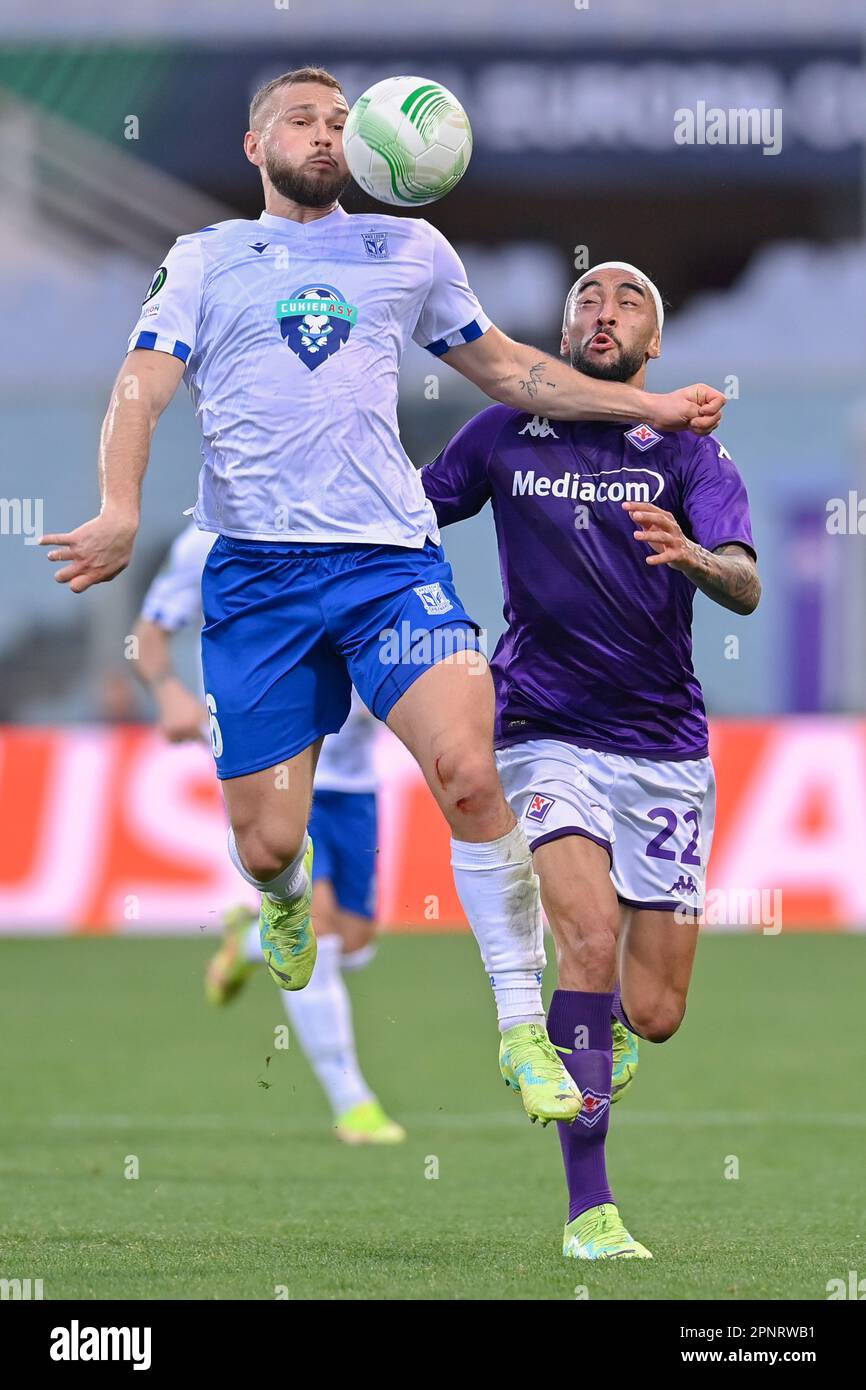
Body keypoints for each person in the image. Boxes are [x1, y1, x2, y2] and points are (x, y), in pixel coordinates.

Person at [41, 66, 726, 1129]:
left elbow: (510, 372)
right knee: (268, 842)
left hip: (386, 564)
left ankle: (518, 1028)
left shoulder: (408, 249)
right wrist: (120, 508)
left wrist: (648, 406)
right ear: (253, 144)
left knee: (466, 766)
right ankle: (275, 896)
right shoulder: (205, 259)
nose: (322, 135)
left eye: (335, 121)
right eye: (300, 121)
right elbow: (142, 383)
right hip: (259, 577)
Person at [421, 261, 759, 1256]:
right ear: (564, 331)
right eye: (586, 298)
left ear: (652, 342)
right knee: (583, 935)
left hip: (661, 748)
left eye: (627, 301)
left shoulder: (687, 451)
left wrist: (693, 556)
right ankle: (588, 1211)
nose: (601, 309)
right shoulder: (499, 433)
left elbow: (742, 583)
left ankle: (594, 1023)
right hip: (540, 726)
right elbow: (405, 514)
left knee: (650, 1012)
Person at [134, 522, 404, 1144]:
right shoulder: (209, 537)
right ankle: (353, 1102)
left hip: (354, 778)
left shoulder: (375, 520)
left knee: (357, 943)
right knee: (325, 932)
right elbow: (150, 631)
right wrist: (168, 690)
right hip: (272, 762)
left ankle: (249, 940)